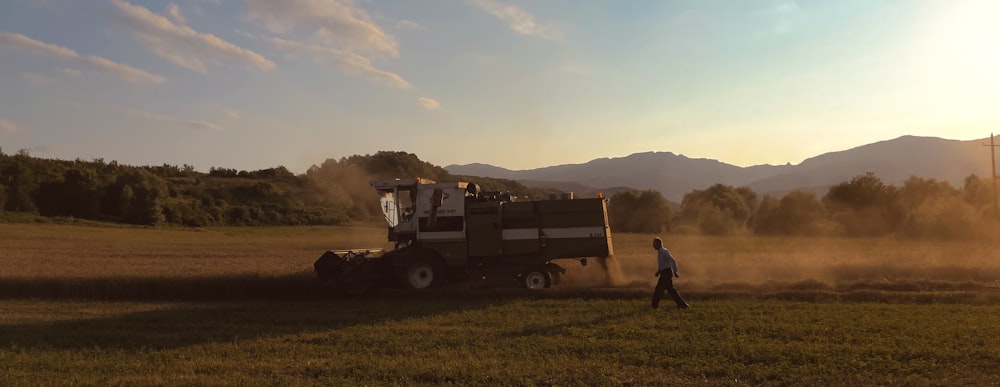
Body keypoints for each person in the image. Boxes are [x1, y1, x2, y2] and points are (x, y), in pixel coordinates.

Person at [651, 237, 689, 309]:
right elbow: (663, 264)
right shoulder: (661, 252)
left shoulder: (664, 252)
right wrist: (659, 272)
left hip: (666, 273)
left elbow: (673, 261)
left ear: (658, 244)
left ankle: (654, 305)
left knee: (659, 289)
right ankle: (683, 305)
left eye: (654, 244)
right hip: (665, 272)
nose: (653, 246)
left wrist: (675, 271)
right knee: (671, 290)